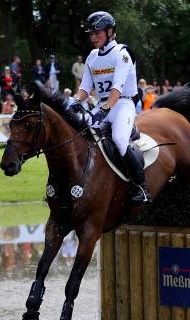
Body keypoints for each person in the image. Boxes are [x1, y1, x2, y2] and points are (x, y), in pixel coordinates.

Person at [70, 11, 151, 204]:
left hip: (122, 103)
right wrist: (74, 102)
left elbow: (117, 87)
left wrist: (105, 110)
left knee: (119, 139)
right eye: (91, 34)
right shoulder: (92, 56)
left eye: (97, 33)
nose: (93, 37)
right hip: (102, 105)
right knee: (78, 134)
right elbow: (84, 88)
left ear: (110, 31)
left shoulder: (122, 53)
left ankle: (142, 188)